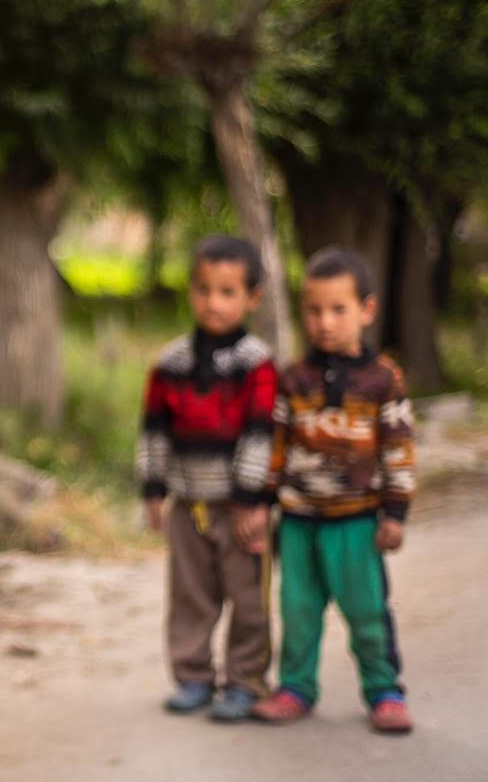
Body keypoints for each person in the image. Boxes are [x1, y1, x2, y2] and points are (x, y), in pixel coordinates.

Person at [249, 246, 415, 733]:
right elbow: (276, 446)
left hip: (356, 522)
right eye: (314, 310)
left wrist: (395, 514)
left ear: (367, 310)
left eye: (338, 309)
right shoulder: (294, 378)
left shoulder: (383, 379)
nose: (325, 323)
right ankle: (295, 688)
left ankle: (384, 690)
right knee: (297, 611)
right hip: (298, 522)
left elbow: (398, 449)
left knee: (367, 613)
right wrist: (261, 503)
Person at [137, 235, 277, 721]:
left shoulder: (256, 363)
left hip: (238, 507)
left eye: (227, 292)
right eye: (203, 289)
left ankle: (245, 680)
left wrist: (251, 500)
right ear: (190, 291)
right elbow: (154, 430)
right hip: (187, 503)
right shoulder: (170, 363)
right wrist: (153, 489)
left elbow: (261, 434)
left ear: (252, 298)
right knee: (190, 594)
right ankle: (193, 675)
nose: (213, 302)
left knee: (248, 598)